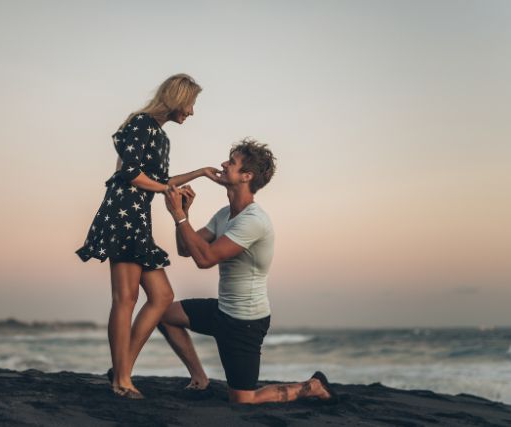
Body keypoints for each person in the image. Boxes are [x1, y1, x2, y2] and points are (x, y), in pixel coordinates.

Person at [160, 138, 337, 404]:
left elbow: (205, 259)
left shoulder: (254, 221)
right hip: (222, 310)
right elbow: (186, 250)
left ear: (247, 176)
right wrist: (183, 215)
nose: (223, 164)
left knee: (244, 400)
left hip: (245, 323)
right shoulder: (224, 214)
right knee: (163, 314)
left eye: (231, 162)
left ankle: (311, 387)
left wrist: (179, 217)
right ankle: (200, 379)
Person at [75, 74, 219, 399]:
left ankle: (122, 369)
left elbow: (159, 178)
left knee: (162, 297)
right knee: (125, 299)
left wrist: (200, 173)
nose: (192, 112)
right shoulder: (140, 124)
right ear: (178, 98)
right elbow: (129, 173)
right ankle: (121, 380)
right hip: (122, 215)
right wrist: (168, 187)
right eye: (191, 103)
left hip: (139, 220)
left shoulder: (162, 137)